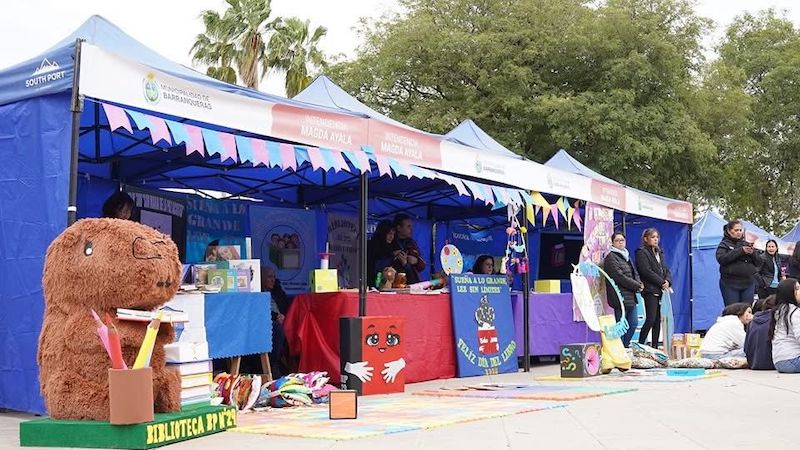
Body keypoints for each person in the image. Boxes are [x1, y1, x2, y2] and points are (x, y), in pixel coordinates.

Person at [604, 232, 643, 347]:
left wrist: (639, 283)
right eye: (617, 240)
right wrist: (635, 285)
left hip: (631, 295)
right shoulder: (611, 257)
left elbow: (634, 272)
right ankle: (620, 348)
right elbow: (618, 276)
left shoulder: (626, 256)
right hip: (619, 296)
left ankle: (624, 346)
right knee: (621, 325)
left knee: (633, 323)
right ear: (613, 242)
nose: (620, 242)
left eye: (622, 240)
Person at [635, 228, 672, 347]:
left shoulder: (659, 252)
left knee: (657, 321)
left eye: (657, 237)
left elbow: (666, 269)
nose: (656, 239)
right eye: (652, 237)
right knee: (650, 318)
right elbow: (646, 271)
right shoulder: (641, 252)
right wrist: (661, 282)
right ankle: (640, 345)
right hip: (650, 290)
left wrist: (668, 281)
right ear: (645, 239)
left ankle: (655, 347)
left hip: (661, 290)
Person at [716, 219, 761, 305]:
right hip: (730, 283)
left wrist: (753, 253)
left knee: (746, 310)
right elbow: (721, 259)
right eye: (736, 230)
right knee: (733, 311)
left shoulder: (747, 244)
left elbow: (759, 262)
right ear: (729, 231)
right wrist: (740, 251)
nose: (739, 232)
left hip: (748, 283)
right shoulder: (724, 244)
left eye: (740, 230)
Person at [770, 278, 800, 373]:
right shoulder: (794, 312)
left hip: (778, 362)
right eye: (797, 289)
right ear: (789, 293)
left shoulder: (778, 311)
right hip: (793, 360)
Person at [391, 214, 426, 284]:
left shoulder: (412, 243)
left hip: (412, 282)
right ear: (399, 228)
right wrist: (394, 256)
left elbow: (422, 266)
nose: (411, 229)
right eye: (408, 226)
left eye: (411, 226)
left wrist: (416, 261)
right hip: (395, 283)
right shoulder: (391, 242)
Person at [744, 294, 776, 370]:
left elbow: (745, 348)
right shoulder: (776, 320)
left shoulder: (752, 322)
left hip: (753, 363)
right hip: (773, 363)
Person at [367, 220, 397, 287]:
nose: (391, 237)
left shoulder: (391, 247)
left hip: (385, 284)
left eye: (393, 234)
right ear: (383, 233)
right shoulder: (372, 246)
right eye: (389, 233)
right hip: (372, 284)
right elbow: (374, 267)